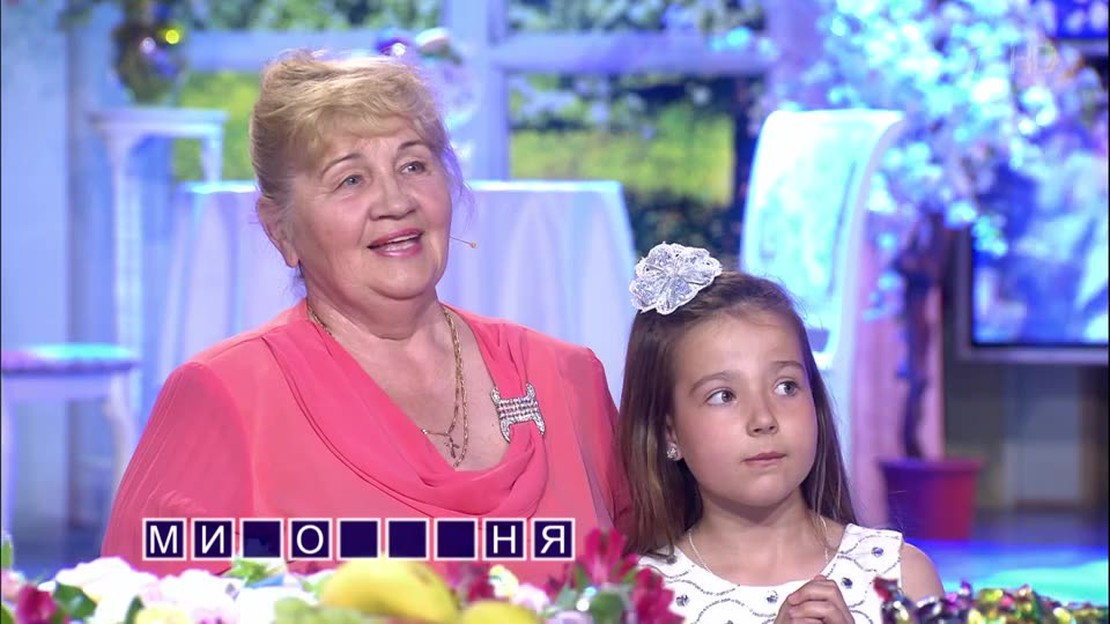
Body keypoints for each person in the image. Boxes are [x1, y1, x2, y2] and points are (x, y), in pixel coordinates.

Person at [101, 50, 629, 584]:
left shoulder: (567, 378)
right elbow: (140, 604)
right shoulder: (222, 396)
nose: (395, 201)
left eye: (414, 165)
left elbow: (652, 584)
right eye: (350, 180)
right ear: (280, 229)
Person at [619, 243, 943, 623]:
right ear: (669, 432)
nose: (763, 418)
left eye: (786, 386)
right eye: (724, 396)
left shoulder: (900, 577)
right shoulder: (641, 597)